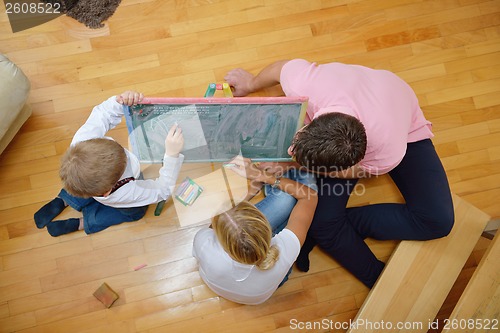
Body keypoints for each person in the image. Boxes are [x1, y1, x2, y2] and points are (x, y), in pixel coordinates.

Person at [224, 59, 454, 288]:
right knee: (324, 223)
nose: (288, 152)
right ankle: (372, 272)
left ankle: (333, 232)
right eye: (298, 141)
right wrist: (251, 83)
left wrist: (292, 167)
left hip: (401, 126)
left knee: (438, 222)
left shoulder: (388, 154)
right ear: (315, 122)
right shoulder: (308, 84)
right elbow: (279, 68)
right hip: (373, 98)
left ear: (337, 167)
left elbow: (355, 171)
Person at [34, 91, 185, 237]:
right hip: (116, 196)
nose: (127, 156)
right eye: (124, 164)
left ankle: (64, 200)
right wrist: (172, 155)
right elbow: (162, 190)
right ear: (108, 190)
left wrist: (121, 102)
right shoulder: (126, 192)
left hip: (89, 186)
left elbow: (103, 113)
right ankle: (83, 223)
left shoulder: (83, 142)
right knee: (135, 213)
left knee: (80, 181)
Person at [192, 156, 317, 305]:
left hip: (227, 285)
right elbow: (310, 196)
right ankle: (281, 173)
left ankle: (280, 173)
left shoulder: (204, 243)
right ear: (268, 228)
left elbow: (217, 226)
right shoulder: (284, 252)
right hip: (273, 279)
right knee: (293, 199)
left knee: (289, 201)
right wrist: (263, 176)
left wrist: (251, 192)